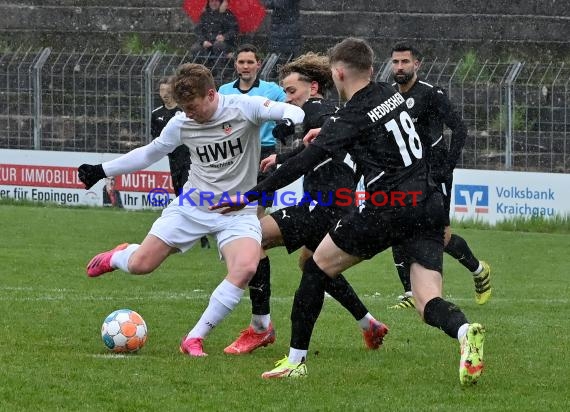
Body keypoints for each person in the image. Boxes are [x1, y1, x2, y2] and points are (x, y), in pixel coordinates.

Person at [211, 38, 485, 386]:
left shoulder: (351, 116)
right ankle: (463, 332)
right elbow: (368, 126)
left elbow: (306, 161)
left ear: (338, 73)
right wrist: (327, 130)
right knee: (427, 299)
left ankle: (295, 361)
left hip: (388, 207)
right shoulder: (390, 91)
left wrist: (249, 196)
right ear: (372, 69)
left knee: (316, 267)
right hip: (427, 203)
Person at [77, 63, 305, 357]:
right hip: (192, 206)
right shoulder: (181, 122)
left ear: (211, 94)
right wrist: (101, 170)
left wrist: (287, 123)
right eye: (183, 108)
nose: (188, 114)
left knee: (246, 266)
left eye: (192, 106)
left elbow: (294, 111)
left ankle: (194, 338)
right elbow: (150, 152)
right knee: (140, 265)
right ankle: (120, 255)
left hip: (237, 212)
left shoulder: (243, 107)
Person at [223, 52, 387, 355]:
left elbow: (322, 130)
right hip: (340, 205)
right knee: (313, 265)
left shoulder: (316, 108)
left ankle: (261, 328)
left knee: (252, 237)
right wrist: (284, 156)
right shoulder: (335, 113)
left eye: (291, 90)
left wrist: (263, 184)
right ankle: (369, 323)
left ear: (313, 88)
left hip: (322, 205)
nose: (287, 97)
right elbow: (322, 144)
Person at [388, 44, 491, 309]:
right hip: (405, 176)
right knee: (397, 230)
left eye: (405, 62)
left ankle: (479, 270)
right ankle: (411, 292)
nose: (399, 67)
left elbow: (460, 128)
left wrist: (448, 166)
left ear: (417, 65)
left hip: (435, 175)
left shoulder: (431, 94)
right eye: (396, 62)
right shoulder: (389, 97)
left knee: (441, 237)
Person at [218, 43, 287, 218]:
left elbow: (290, 107)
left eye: (250, 62)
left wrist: (284, 126)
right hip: (234, 151)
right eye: (241, 62)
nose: (245, 66)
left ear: (259, 64)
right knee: (232, 206)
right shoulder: (224, 91)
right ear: (235, 65)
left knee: (259, 208)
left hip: (264, 151)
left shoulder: (273, 90)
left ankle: (257, 242)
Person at [151, 76, 210, 249]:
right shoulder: (156, 114)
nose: (165, 94)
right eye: (162, 91)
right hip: (173, 159)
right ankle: (191, 232)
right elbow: (156, 138)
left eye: (168, 91)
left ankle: (202, 235)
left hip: (190, 158)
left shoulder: (184, 112)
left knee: (188, 194)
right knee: (179, 194)